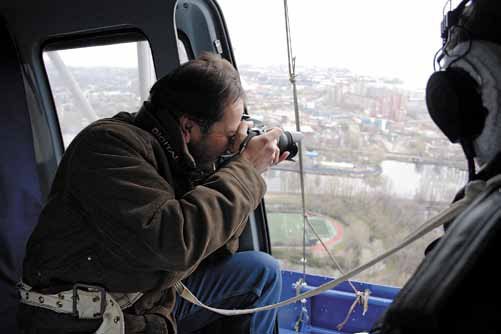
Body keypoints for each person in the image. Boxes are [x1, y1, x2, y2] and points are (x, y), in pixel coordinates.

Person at [17, 52, 289, 334]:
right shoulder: (107, 147)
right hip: (89, 316)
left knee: (260, 272)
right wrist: (244, 171)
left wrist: (233, 165)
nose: (235, 141)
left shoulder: (180, 159)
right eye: (230, 134)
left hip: (146, 298)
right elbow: (174, 243)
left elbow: (216, 249)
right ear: (188, 127)